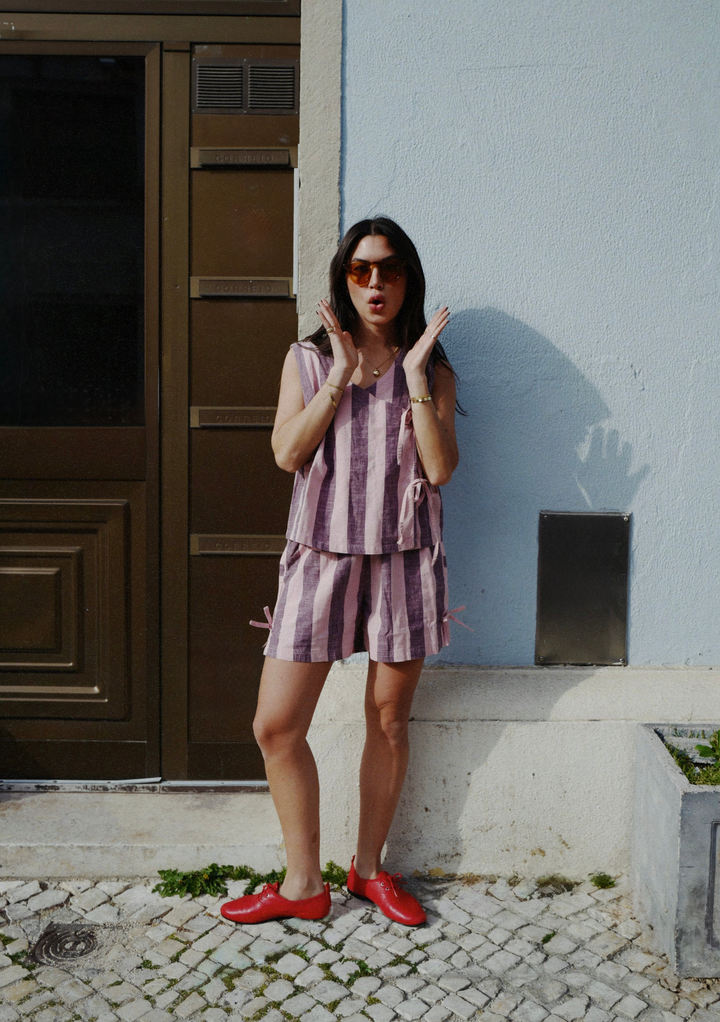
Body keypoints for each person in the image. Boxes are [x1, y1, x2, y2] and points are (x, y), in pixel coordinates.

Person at [221, 217, 460, 928]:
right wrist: (339, 377)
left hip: (403, 561)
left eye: (388, 270)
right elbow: (286, 455)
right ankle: (303, 883)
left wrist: (414, 377)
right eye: (361, 270)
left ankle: (367, 870)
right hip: (318, 559)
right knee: (276, 725)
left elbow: (441, 468)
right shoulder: (307, 358)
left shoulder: (434, 367)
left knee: (387, 720)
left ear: (407, 278)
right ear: (344, 279)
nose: (375, 283)